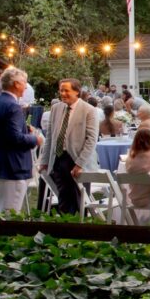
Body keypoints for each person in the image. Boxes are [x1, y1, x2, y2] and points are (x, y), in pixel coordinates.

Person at [0, 68, 44, 214]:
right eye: (24, 83)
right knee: (9, 212)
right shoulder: (13, 106)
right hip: (12, 166)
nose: (26, 87)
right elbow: (14, 138)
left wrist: (24, 128)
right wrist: (35, 139)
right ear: (16, 84)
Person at [38, 78, 99, 215]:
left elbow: (91, 139)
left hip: (77, 160)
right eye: (61, 90)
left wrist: (79, 163)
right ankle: (65, 228)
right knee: (63, 198)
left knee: (79, 200)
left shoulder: (88, 110)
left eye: (67, 90)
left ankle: (80, 230)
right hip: (59, 159)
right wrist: (44, 160)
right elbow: (50, 137)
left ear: (77, 92)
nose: (63, 93)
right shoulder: (56, 108)